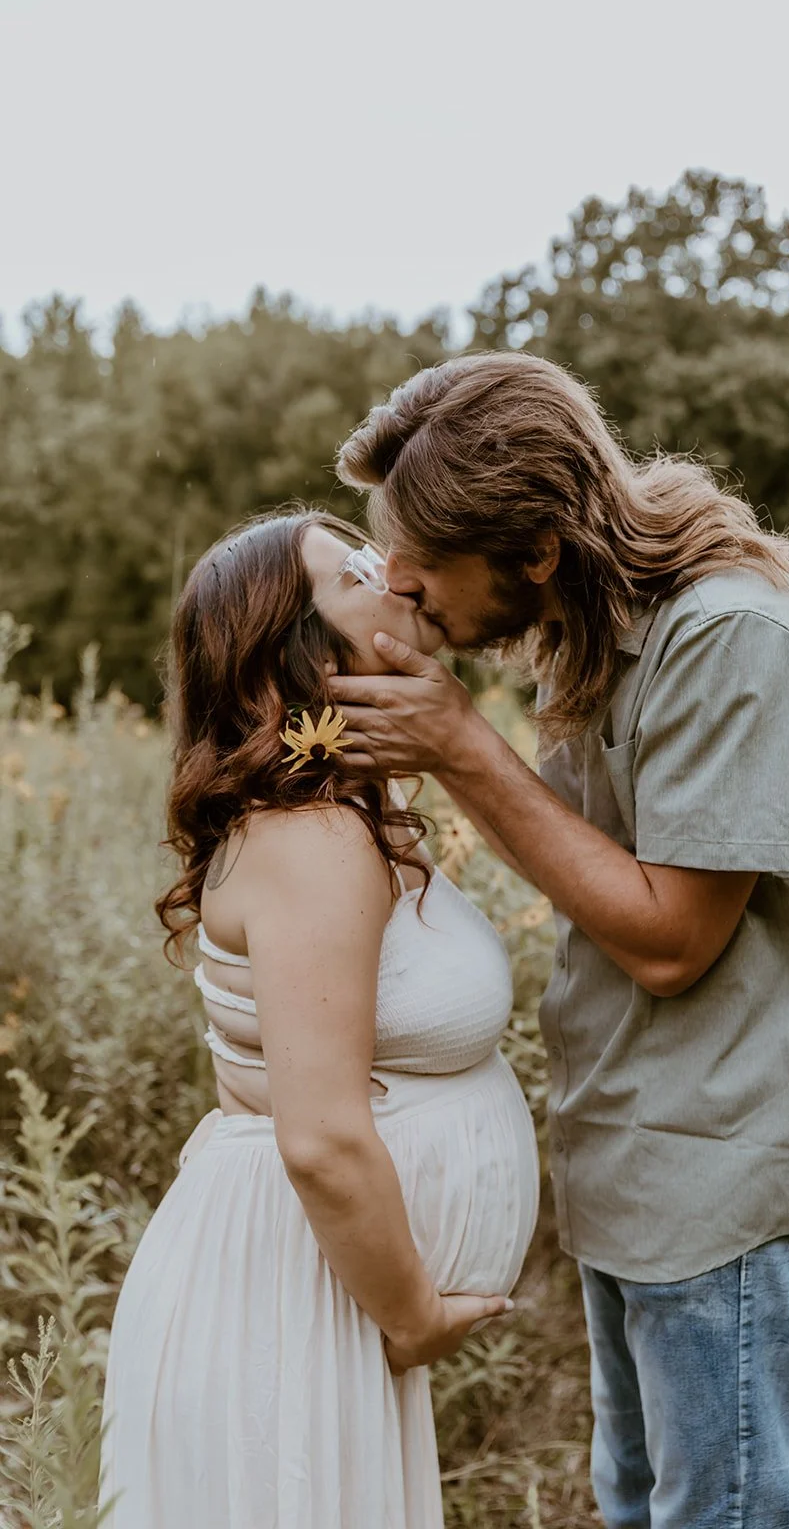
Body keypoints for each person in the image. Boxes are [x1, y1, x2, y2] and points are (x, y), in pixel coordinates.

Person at [328, 352, 789, 1529]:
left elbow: (669, 940)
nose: (396, 580)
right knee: (645, 1507)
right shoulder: (602, 625)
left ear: (535, 550)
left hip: (732, 1182)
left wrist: (460, 748)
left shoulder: (733, 636)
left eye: (425, 562)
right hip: (645, 1168)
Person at [98, 509, 540, 1529]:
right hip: (291, 1305)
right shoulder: (310, 840)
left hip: (318, 1296)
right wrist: (415, 1313)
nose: (391, 571)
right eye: (353, 569)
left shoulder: (345, 817)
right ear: (285, 664)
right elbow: (326, 1141)